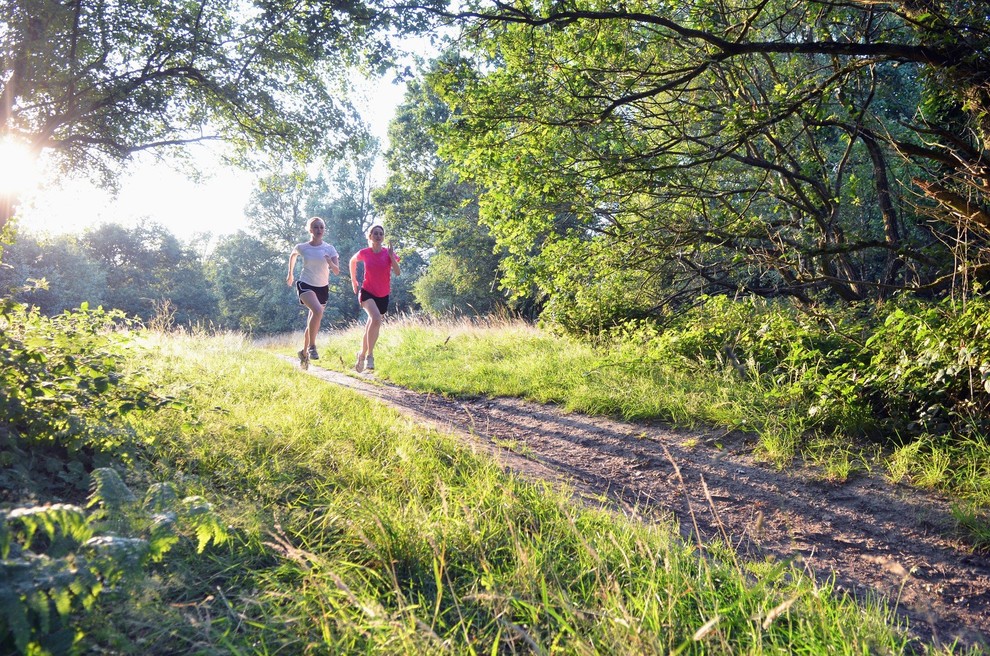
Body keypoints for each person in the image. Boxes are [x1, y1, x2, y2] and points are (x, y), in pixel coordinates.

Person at [286, 216, 340, 369]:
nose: (319, 230)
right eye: (316, 227)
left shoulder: (329, 248)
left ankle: (303, 353)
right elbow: (293, 255)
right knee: (317, 311)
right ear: (310, 230)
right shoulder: (303, 247)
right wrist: (290, 273)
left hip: (322, 287)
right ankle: (312, 347)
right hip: (305, 284)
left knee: (314, 322)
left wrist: (330, 262)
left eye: (321, 227)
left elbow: (336, 271)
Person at [349, 224, 400, 372]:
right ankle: (370, 355)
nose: (378, 236)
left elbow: (397, 272)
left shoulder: (388, 253)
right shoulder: (364, 253)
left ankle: (361, 354)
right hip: (367, 292)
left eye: (381, 234)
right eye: (375, 233)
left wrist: (391, 256)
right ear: (370, 236)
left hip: (383, 295)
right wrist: (353, 280)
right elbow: (352, 261)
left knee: (372, 326)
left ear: (383, 237)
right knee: (376, 319)